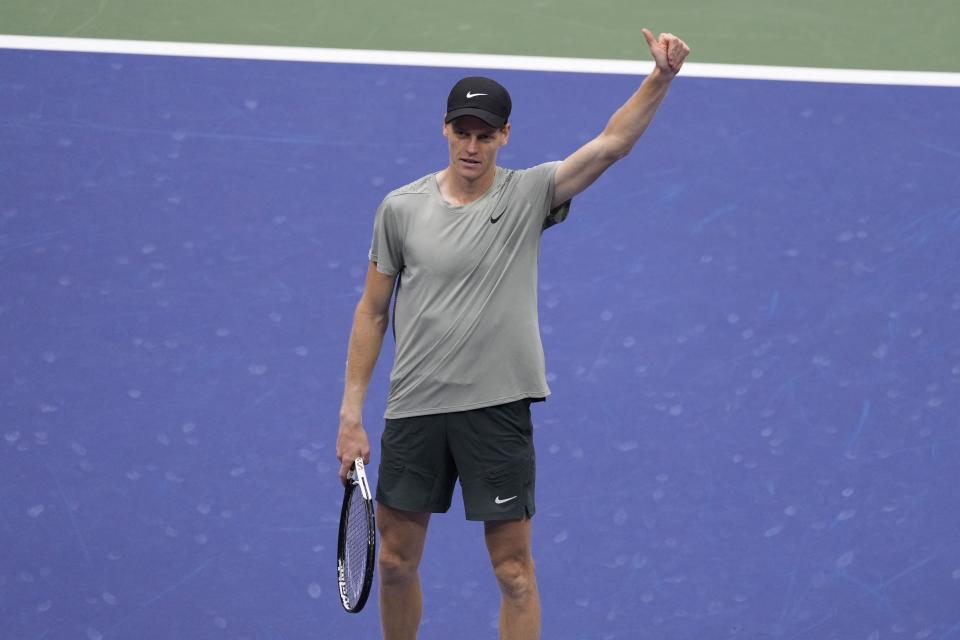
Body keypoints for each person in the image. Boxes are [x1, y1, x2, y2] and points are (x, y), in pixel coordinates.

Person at [336, 28, 690, 640]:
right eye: (462, 131)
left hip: (495, 410)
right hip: (415, 408)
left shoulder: (528, 194)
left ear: (504, 136)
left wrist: (659, 79)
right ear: (445, 130)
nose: (472, 145)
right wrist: (350, 414)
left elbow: (610, 146)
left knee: (514, 573)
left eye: (485, 133)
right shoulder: (399, 208)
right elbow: (372, 311)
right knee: (393, 563)